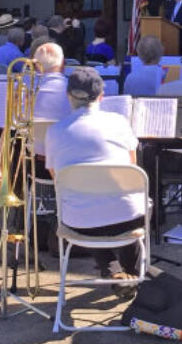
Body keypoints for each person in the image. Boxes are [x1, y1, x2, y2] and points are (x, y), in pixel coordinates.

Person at [45, 67, 145, 297]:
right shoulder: (119, 123)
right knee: (125, 201)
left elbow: (58, 181)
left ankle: (113, 269)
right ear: (101, 97)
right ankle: (131, 273)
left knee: (87, 202)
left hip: (79, 223)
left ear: (68, 96)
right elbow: (132, 169)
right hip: (127, 220)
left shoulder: (55, 132)